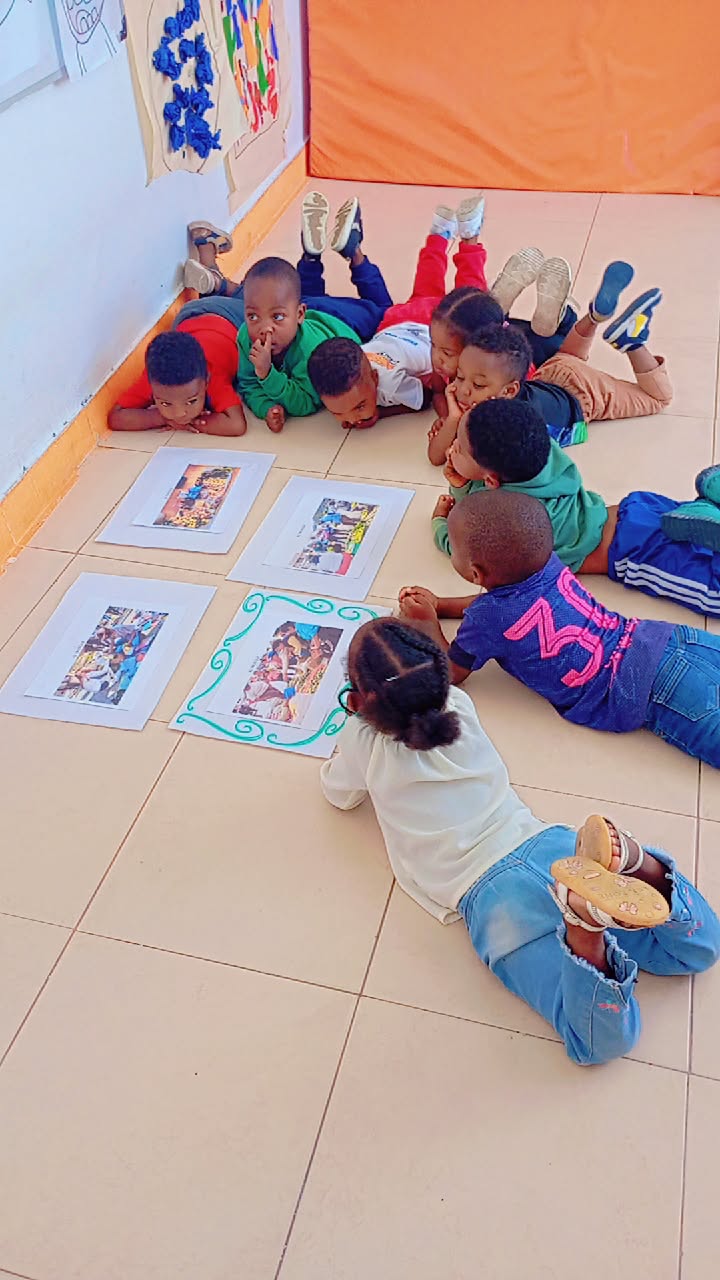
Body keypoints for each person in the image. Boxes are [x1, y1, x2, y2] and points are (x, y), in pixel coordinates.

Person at [320, 617, 719, 1066]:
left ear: (357, 702)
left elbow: (339, 795)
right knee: (699, 951)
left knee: (599, 1043)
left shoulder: (360, 740)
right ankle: (639, 864)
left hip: (492, 898)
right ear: (440, 677)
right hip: (554, 849)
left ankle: (584, 935)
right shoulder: (460, 704)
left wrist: (348, 743)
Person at [401, 488, 720, 766]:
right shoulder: (547, 563)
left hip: (645, 688)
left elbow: (452, 673)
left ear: (475, 572)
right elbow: (500, 604)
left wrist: (426, 624)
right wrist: (441, 604)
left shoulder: (487, 618)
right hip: (667, 639)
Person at [432, 396, 720, 617]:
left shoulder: (515, 521)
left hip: (633, 551)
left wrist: (440, 523)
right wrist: (464, 482)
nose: (452, 449)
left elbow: (467, 549)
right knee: (699, 534)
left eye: (460, 448)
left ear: (491, 480)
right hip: (637, 509)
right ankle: (710, 502)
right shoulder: (541, 451)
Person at [427, 263, 671, 464]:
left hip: (583, 396)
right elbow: (439, 448)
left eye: (477, 385)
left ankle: (632, 342)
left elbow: (441, 458)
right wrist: (452, 417)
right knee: (569, 357)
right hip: (551, 373)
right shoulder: (486, 382)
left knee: (657, 399)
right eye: (460, 377)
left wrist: (452, 421)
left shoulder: (500, 423)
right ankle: (594, 316)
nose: (462, 390)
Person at [183, 194, 393, 343]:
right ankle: (214, 272)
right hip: (340, 325)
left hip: (328, 311)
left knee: (293, 297)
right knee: (265, 308)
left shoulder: (387, 317)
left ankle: (334, 254)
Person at [109, 320, 248, 437]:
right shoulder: (156, 379)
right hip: (189, 318)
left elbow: (236, 425)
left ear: (206, 381)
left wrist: (194, 422)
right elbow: (116, 418)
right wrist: (160, 418)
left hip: (231, 319)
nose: (179, 414)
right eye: (165, 403)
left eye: (191, 401)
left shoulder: (212, 377)